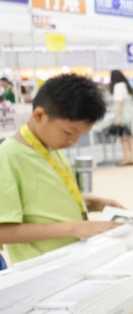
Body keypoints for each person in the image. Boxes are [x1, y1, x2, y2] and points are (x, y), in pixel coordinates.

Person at [0, 74, 124, 263]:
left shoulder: (51, 146)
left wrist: (93, 203)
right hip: (42, 268)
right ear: (39, 116)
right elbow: (4, 231)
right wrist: (74, 228)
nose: (73, 142)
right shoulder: (7, 157)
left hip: (72, 259)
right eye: (68, 133)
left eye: (81, 135)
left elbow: (43, 203)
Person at [109, 70, 133, 166]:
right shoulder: (126, 85)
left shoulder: (117, 86)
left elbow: (119, 102)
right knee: (130, 138)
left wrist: (118, 118)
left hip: (123, 113)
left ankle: (126, 159)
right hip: (130, 112)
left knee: (124, 138)